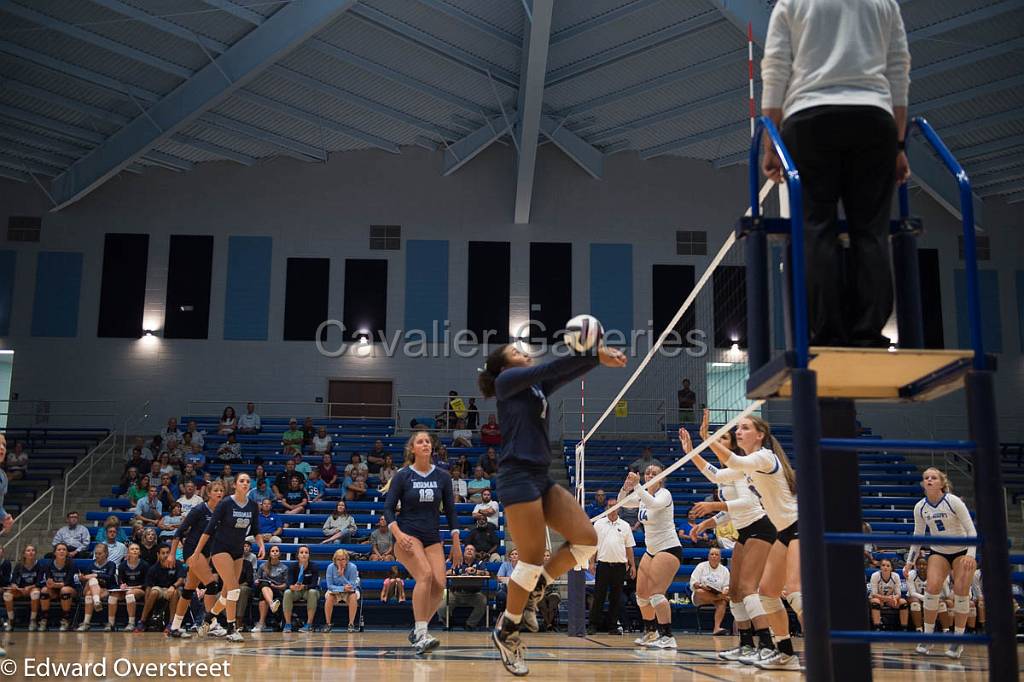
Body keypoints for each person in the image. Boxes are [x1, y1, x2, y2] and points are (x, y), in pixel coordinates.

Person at [761, 0, 910, 347]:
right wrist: (899, 145)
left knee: (815, 228)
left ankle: (827, 331)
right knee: (871, 231)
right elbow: (899, 70)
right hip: (874, 119)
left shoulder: (792, 3)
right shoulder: (884, 3)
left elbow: (776, 70)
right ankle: (868, 330)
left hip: (810, 119)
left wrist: (770, 143)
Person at [478, 340, 626, 676]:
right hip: (516, 475)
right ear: (503, 366)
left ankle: (541, 584)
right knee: (529, 557)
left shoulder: (536, 388)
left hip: (541, 476)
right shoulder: (506, 383)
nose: (526, 353)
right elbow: (552, 368)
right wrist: (593, 354)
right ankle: (507, 631)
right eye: (517, 352)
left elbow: (563, 374)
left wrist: (597, 361)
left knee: (587, 540)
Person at [700, 413, 802, 671]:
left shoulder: (765, 457)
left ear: (760, 435)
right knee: (767, 593)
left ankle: (828, 651)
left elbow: (731, 459)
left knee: (795, 593)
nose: (739, 432)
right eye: (737, 428)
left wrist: (707, 438)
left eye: (745, 428)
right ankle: (786, 653)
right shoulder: (748, 467)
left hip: (800, 526)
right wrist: (695, 448)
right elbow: (718, 475)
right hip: (783, 531)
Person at [683, 414, 776, 653]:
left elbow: (745, 502)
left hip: (760, 527)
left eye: (722, 437)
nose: (718, 440)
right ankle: (745, 643)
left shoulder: (744, 466)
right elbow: (712, 475)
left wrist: (713, 507)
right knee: (733, 593)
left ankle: (766, 643)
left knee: (746, 589)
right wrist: (691, 450)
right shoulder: (728, 473)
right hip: (744, 532)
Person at [383, 431, 462, 654]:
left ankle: (419, 628)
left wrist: (456, 541)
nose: (425, 444)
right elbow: (388, 509)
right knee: (425, 575)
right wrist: (397, 534)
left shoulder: (443, 477)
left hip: (432, 536)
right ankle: (421, 634)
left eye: (428, 441)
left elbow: (450, 510)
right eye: (420, 441)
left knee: (440, 585)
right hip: (407, 535)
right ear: (412, 449)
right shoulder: (402, 475)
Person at [903, 467, 978, 659]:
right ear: (923, 483)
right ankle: (928, 637)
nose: (929, 480)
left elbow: (972, 531)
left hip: (962, 550)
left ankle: (958, 640)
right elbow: (918, 536)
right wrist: (910, 562)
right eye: (926, 478)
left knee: (961, 591)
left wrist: (970, 554)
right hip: (939, 551)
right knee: (932, 587)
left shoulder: (953, 502)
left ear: (941, 482)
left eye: (933, 477)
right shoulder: (920, 507)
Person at [194, 473, 266, 642]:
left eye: (248, 481)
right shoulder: (226, 503)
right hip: (220, 549)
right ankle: (231, 628)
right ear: (234, 485)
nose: (245, 483)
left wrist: (262, 545)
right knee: (235, 589)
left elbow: (255, 530)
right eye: (242, 481)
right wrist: (197, 552)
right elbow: (209, 529)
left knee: (228, 593)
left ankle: (208, 618)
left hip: (237, 551)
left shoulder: (253, 506)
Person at [620, 462, 682, 650]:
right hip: (651, 549)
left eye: (654, 473)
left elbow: (653, 503)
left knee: (656, 593)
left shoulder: (665, 494)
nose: (649, 475)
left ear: (662, 477)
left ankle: (667, 635)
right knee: (641, 595)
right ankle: (651, 631)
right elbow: (621, 503)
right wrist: (626, 487)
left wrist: (638, 486)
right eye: (647, 472)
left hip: (669, 548)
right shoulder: (642, 496)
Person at [166, 481, 226, 638]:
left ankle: (175, 627)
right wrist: (172, 554)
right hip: (192, 551)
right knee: (211, 585)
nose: (219, 493)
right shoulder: (199, 510)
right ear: (209, 493)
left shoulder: (222, 511)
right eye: (216, 490)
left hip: (206, 553)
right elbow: (179, 531)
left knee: (188, 590)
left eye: (221, 490)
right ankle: (211, 624)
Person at [588, 496, 636, 635]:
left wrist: (632, 565)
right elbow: (594, 546)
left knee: (616, 597)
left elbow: (629, 548)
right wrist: (592, 562)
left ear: (619, 508)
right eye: (610, 506)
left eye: (615, 506)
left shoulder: (625, 525)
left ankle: (612, 626)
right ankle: (593, 625)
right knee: (599, 596)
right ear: (606, 508)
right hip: (603, 565)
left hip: (620, 566)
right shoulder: (598, 524)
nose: (612, 508)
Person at [438, 544, 488, 630]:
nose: (469, 551)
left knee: (483, 601)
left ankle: (470, 624)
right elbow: (447, 573)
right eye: (467, 549)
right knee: (441, 607)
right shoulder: (458, 562)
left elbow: (487, 573)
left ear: (475, 553)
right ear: (464, 552)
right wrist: (452, 572)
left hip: (474, 594)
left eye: (471, 550)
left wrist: (475, 571)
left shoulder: (479, 563)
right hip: (456, 593)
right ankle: (449, 622)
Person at [138, 543, 184, 630]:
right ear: (158, 555)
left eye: (168, 553)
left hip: (175, 589)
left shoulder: (177, 564)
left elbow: (181, 580)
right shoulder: (153, 568)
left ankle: (171, 623)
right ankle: (142, 621)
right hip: (160, 590)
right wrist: (146, 602)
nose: (166, 555)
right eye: (163, 553)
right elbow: (148, 587)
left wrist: (173, 586)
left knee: (173, 592)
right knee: (154, 591)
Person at [689, 547, 732, 635]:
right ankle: (720, 597)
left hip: (717, 596)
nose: (714, 556)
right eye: (712, 554)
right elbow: (694, 583)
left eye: (716, 554)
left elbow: (727, 586)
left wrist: (724, 591)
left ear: (720, 557)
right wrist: (702, 586)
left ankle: (716, 628)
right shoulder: (701, 566)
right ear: (708, 556)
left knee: (722, 602)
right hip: (701, 597)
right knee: (699, 592)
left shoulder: (725, 570)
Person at [76, 542, 118, 631]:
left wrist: (95, 575)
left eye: (99, 554)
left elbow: (109, 577)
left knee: (89, 594)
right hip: (89, 587)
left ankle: (86, 622)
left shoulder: (111, 564)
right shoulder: (91, 565)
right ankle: (97, 601)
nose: (97, 556)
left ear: (106, 554)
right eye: (96, 553)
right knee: (92, 581)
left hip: (105, 589)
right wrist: (82, 578)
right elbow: (85, 578)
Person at [282, 545, 320, 633]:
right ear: (298, 555)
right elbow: (289, 582)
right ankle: (288, 624)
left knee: (312, 592)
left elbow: (314, 584)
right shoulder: (292, 566)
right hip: (297, 591)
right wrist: (291, 586)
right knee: (287, 592)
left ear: (309, 555)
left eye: (306, 553)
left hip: (309, 591)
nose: (304, 555)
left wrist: (305, 586)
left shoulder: (314, 566)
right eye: (301, 552)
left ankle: (309, 624)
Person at [4, 545, 42, 631]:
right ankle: (11, 620)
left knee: (35, 593)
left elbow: (40, 582)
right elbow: (13, 580)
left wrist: (30, 587)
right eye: (28, 551)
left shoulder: (39, 565)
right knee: (7, 594)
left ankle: (32, 620)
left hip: (33, 589)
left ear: (35, 553)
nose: (31, 552)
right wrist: (14, 585)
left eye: (33, 550)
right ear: (24, 554)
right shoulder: (19, 566)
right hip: (21, 590)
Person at [323, 549, 361, 633]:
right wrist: (342, 589)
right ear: (334, 560)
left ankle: (351, 624)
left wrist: (342, 576)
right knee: (329, 597)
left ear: (347, 559)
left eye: (343, 559)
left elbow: (352, 586)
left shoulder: (352, 567)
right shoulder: (330, 567)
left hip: (350, 592)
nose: (341, 562)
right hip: (335, 591)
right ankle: (328, 623)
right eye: (338, 559)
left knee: (353, 596)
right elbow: (330, 586)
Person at [41, 542, 76, 631]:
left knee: (64, 590)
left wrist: (55, 584)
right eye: (59, 549)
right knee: (44, 590)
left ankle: (65, 619)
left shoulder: (71, 564)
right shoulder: (49, 564)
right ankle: (44, 619)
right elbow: (48, 581)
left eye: (64, 550)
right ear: (55, 553)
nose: (61, 551)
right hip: (54, 590)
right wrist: (51, 584)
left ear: (67, 553)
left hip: (70, 589)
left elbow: (68, 582)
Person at [253, 544, 289, 632]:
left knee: (263, 596)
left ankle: (261, 623)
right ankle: (272, 604)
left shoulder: (284, 568)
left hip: (277, 589)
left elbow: (285, 585)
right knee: (264, 583)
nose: (275, 553)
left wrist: (276, 586)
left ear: (279, 554)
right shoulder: (263, 566)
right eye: (273, 551)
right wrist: (257, 581)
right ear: (269, 553)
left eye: (276, 551)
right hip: (262, 587)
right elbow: (256, 579)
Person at [117, 542, 150, 632]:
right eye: (132, 549)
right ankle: (110, 623)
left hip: (140, 590)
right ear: (128, 552)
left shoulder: (144, 565)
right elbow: (120, 579)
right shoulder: (122, 565)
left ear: (139, 552)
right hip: (127, 589)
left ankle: (131, 623)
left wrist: (136, 587)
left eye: (137, 549)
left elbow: (147, 583)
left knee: (129, 594)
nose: (135, 551)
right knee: (112, 597)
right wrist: (122, 584)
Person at [869, 558, 908, 630]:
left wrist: (894, 598)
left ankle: (904, 628)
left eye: (888, 566)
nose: (885, 567)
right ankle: (877, 628)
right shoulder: (875, 575)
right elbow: (874, 594)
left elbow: (898, 593)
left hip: (890, 599)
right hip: (878, 599)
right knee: (875, 601)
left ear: (891, 568)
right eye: (883, 565)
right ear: (880, 567)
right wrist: (887, 598)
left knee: (903, 602)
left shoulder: (896, 576)